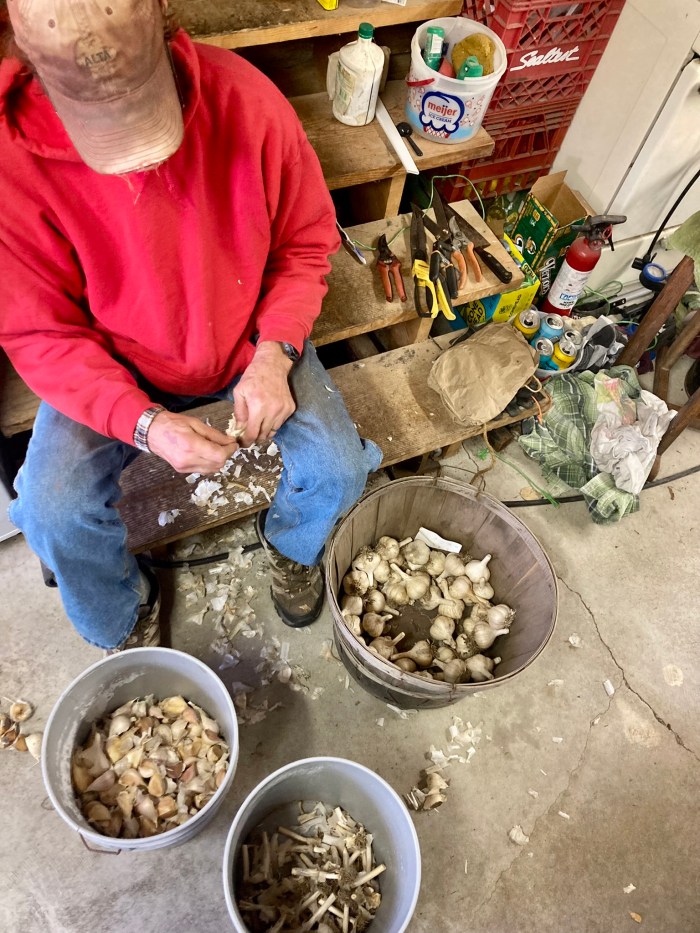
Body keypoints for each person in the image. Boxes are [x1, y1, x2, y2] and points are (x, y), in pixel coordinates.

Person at [0, 0, 382, 650]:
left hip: (249, 337)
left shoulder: (248, 102)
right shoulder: (12, 159)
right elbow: (42, 335)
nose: (144, 174)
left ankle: (293, 547)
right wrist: (141, 421)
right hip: (111, 362)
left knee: (340, 467)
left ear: (165, 25)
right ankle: (123, 616)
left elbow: (306, 239)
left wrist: (275, 351)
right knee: (50, 510)